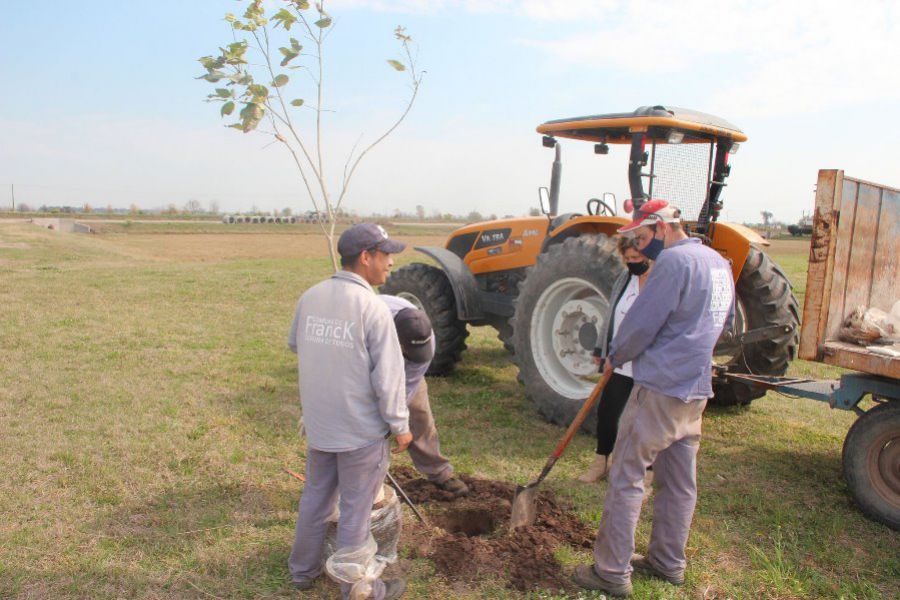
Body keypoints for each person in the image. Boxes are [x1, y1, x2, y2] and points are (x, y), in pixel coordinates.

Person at [573, 200, 735, 597]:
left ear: (664, 228)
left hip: (661, 387)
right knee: (679, 482)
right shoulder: (717, 263)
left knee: (627, 475)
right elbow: (726, 323)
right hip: (695, 388)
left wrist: (616, 354)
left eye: (644, 238)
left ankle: (610, 571)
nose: (641, 249)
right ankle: (667, 561)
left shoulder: (674, 265)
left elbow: (641, 324)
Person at [287, 223, 412, 600]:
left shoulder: (311, 296)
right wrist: (401, 426)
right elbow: (388, 377)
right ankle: (359, 591)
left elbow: (297, 346)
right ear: (366, 257)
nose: (390, 262)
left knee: (316, 498)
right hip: (360, 433)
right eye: (386, 254)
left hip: (321, 426)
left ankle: (302, 571)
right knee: (356, 512)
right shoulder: (371, 308)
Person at [579, 236, 653, 483]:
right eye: (629, 259)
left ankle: (646, 475)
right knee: (608, 413)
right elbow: (611, 315)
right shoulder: (624, 280)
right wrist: (602, 349)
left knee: (646, 422)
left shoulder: (659, 282)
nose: (633, 263)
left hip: (647, 365)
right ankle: (602, 461)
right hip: (619, 362)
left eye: (637, 258)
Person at [379, 295, 470, 497]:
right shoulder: (372, 323)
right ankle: (367, 473)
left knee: (420, 413)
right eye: (407, 349)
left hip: (401, 366)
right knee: (366, 422)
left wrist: (398, 424)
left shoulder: (424, 340)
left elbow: (407, 387)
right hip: (365, 365)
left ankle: (439, 472)